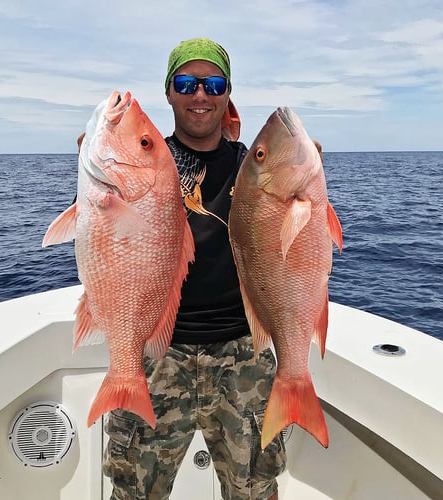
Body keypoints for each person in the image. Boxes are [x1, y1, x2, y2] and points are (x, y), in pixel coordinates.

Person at [102, 37, 287, 500]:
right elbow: (106, 240)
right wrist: (100, 173)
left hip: (243, 349)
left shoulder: (255, 167)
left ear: (227, 94)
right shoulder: (143, 159)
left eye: (212, 83)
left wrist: (301, 174)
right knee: (135, 490)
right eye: (186, 83)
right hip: (157, 352)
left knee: (254, 487)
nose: (199, 95)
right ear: (169, 92)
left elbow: (293, 246)